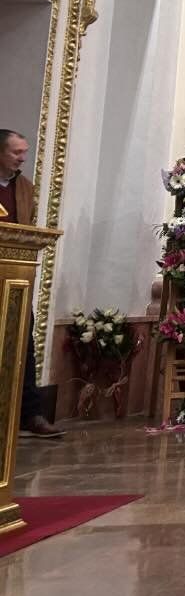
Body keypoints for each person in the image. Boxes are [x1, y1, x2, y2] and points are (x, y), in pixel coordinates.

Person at [0, 130, 62, 438]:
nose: (23, 157)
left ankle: (29, 413)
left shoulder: (25, 189)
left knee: (24, 346)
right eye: (16, 152)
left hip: (14, 279)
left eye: (25, 152)